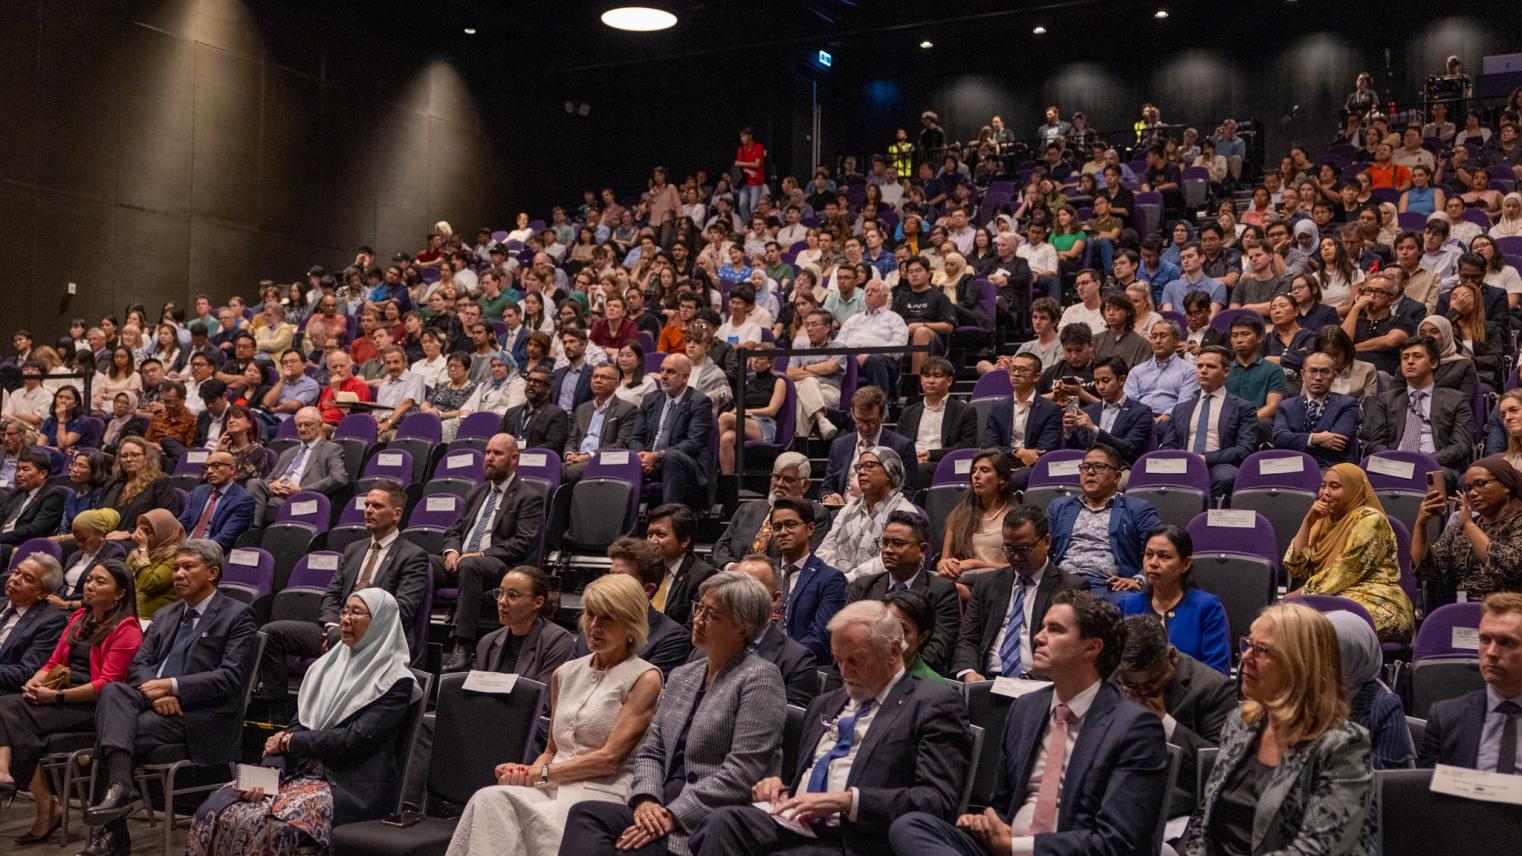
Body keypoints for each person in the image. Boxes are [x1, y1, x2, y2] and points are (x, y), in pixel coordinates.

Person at [891, 590, 1170, 856]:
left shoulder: (1134, 727)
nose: (1038, 637)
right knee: (911, 827)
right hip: (1008, 845)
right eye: (1042, 627)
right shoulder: (1026, 709)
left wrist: (1018, 848)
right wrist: (988, 825)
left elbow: (1118, 842)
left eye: (1055, 630)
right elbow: (1002, 805)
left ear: (1092, 647)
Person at [695, 598, 972, 856]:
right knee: (721, 822)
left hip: (855, 836)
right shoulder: (827, 702)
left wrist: (847, 801)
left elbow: (936, 800)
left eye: (855, 660)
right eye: (838, 659)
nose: (844, 672)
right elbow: (808, 773)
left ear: (893, 652)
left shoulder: (933, 704)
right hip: (796, 820)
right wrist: (778, 787)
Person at [557, 573, 785, 856]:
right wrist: (646, 799)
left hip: (706, 816)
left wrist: (673, 814)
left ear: (742, 628)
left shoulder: (760, 677)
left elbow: (743, 770)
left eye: (711, 614)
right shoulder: (683, 675)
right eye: (698, 608)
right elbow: (651, 750)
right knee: (585, 814)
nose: (698, 619)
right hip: (658, 804)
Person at [186, 589, 419, 854]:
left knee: (268, 826)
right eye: (344, 611)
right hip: (297, 771)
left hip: (347, 783)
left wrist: (290, 743)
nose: (345, 619)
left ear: (380, 622)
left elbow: (354, 739)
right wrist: (269, 774)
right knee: (215, 810)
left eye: (356, 612)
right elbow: (296, 727)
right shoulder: (326, 667)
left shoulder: (396, 681)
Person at [445, 573, 661, 856]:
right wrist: (524, 773)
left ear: (631, 625)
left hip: (602, 792)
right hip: (553, 784)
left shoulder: (644, 677)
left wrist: (542, 773)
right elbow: (551, 750)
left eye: (607, 618)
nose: (594, 626)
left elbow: (610, 760)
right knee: (488, 799)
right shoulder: (566, 673)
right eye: (590, 615)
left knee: (534, 820)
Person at [79, 540, 260, 854]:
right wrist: (157, 690)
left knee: (112, 732)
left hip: (197, 716)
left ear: (213, 572)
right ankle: (121, 791)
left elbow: (230, 677)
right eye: (176, 567)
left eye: (188, 567)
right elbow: (139, 664)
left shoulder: (237, 615)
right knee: (112, 690)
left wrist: (172, 686)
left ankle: (113, 834)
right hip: (153, 704)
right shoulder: (166, 614)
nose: (178, 574)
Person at [1180, 603, 1376, 856]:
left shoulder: (1343, 747)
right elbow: (1203, 820)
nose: (1246, 658)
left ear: (1299, 665)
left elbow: (1318, 849)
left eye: (1262, 650)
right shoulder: (1240, 723)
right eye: (1248, 645)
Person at [256, 480, 429, 708]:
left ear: (396, 514)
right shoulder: (353, 549)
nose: (368, 510)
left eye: (376, 506)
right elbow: (331, 596)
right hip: (338, 630)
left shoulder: (412, 555)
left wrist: (352, 629)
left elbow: (402, 609)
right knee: (271, 634)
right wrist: (332, 627)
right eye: (366, 505)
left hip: (379, 639)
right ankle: (278, 713)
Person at [0, 559, 141, 835]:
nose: (89, 586)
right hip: (58, 691)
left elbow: (106, 684)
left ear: (120, 593)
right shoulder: (79, 618)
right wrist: (34, 682)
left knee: (10, 713)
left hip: (89, 705)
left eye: (100, 582)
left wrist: (56, 696)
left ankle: (21, 786)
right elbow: (52, 663)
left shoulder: (127, 629)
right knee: (9, 708)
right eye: (89, 579)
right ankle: (9, 776)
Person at [441, 434, 546, 670]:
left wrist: (480, 555)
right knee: (419, 562)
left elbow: (523, 542)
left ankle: (463, 646)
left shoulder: (529, 497)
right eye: (488, 452)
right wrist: (451, 551)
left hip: (500, 566)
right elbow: (454, 530)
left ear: (514, 458)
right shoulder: (475, 493)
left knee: (470, 567)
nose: (489, 458)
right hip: (461, 560)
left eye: (497, 453)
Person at [1115, 615, 1236, 818]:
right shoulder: (1114, 679)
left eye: (1151, 683)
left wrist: (1163, 722)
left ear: (1172, 657)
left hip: (1176, 804)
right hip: (1116, 791)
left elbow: (1220, 767)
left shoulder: (1214, 688)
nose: (1142, 693)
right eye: (1133, 686)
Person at [1284, 464, 1415, 643]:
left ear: (1354, 488)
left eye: (1335, 486)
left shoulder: (1371, 520)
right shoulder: (1321, 522)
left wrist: (1299, 594)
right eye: (1323, 485)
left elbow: (1346, 570)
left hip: (1377, 602)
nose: (1326, 493)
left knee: (1322, 627)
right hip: (1328, 599)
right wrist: (1307, 522)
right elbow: (1295, 567)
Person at [953, 505, 1082, 681]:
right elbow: (967, 639)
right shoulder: (987, 583)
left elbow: (1068, 652)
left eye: (1023, 549)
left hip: (1036, 684)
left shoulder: (1070, 588)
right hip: (986, 680)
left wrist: (1028, 679)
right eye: (1009, 549)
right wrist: (968, 672)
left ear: (1046, 542)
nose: (1015, 557)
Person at [1419, 591, 1522, 772]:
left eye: (1506, 642)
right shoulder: (1445, 719)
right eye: (1484, 640)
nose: (1491, 652)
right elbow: (1426, 797)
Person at [1048, 444, 1163, 599]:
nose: (1090, 472)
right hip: (1062, 582)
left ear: (1116, 477)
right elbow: (1043, 548)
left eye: (1099, 467)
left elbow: (1161, 549)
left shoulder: (1138, 509)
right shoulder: (1059, 506)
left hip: (1109, 586)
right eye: (1085, 467)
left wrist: (1139, 580)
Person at [1360, 337, 1474, 488]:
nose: (1410, 361)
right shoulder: (1387, 400)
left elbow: (1460, 446)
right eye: (1405, 357)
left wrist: (1423, 461)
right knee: (1361, 473)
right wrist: (1398, 461)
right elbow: (1376, 442)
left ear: (1433, 363)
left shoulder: (1456, 400)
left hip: (1434, 465)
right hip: (1392, 464)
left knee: (1434, 475)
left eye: (1417, 356)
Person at [1118, 524, 1233, 672]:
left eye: (1164, 556)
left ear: (1185, 564)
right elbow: (1113, 664)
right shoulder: (1128, 605)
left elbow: (1217, 670)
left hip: (1191, 692)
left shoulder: (1206, 607)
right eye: (1148, 554)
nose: (1153, 563)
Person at [711, 558, 819, 707]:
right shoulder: (705, 649)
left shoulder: (797, 662)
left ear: (774, 599)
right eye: (733, 585)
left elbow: (788, 725)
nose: (737, 595)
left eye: (750, 588)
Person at [1158, 346, 1260, 503]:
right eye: (1199, 366)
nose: (1203, 371)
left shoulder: (1243, 407)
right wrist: (1181, 458)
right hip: (1182, 463)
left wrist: (1205, 458)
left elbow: (1244, 449)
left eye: (1211, 366)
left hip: (1219, 464)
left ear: (1225, 372)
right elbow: (1168, 446)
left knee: (1226, 477)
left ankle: (1209, 524)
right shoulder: (1181, 408)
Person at [1413, 456, 1522, 601]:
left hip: (1509, 613)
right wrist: (1421, 524)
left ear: (1506, 485)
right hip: (1463, 610)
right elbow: (1427, 571)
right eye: (1469, 488)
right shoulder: (1462, 527)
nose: (1473, 493)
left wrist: (1469, 525)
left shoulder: (1515, 523)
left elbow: (1509, 566)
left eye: (1481, 484)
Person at [1324, 610, 1415, 770]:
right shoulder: (1307, 692)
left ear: (1355, 656)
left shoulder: (1384, 705)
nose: (1319, 661)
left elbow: (1383, 773)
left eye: (1330, 654)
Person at [710, 452, 831, 570]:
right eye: (776, 477)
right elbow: (720, 547)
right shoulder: (747, 509)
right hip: (736, 579)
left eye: (788, 479)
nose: (779, 484)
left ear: (805, 485)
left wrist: (753, 570)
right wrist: (731, 566)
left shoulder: (816, 515)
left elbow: (804, 557)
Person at [817, 446, 918, 580]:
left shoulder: (904, 512)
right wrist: (827, 578)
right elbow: (825, 549)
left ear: (889, 473)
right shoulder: (848, 509)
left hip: (880, 587)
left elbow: (887, 561)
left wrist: (846, 579)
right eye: (859, 467)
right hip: (837, 584)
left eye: (869, 466)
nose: (861, 472)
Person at [629, 353, 715, 506]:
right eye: (662, 370)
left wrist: (656, 456)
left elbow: (694, 443)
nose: (663, 376)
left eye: (671, 372)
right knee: (618, 459)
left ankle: (669, 517)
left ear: (685, 377)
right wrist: (641, 458)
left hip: (686, 463)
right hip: (650, 461)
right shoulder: (650, 399)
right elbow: (636, 437)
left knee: (672, 457)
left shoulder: (699, 402)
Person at [245, 407, 348, 528]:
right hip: (276, 494)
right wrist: (272, 485)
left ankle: (252, 530)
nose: (302, 429)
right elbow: (269, 479)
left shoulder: (331, 449)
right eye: (299, 425)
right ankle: (253, 530)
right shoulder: (288, 453)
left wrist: (301, 490)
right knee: (254, 483)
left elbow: (340, 478)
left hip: (301, 498)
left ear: (320, 426)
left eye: (307, 425)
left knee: (262, 504)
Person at [936, 450, 1018, 592]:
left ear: (1002, 479)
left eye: (984, 470)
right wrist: (945, 564)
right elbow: (943, 560)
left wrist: (975, 564)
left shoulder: (1015, 517)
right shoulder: (958, 516)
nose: (976, 475)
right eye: (974, 471)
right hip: (964, 583)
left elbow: (1018, 567)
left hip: (1000, 585)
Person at [980, 352, 1062, 491]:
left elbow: (1044, 450)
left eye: (1023, 370)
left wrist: (1024, 455)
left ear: (1036, 376)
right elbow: (990, 446)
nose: (1016, 374)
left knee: (1011, 480)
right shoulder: (998, 408)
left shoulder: (1050, 409)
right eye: (1013, 369)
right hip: (1002, 463)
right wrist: (1018, 452)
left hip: (1032, 466)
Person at [820, 386, 918, 502]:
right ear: (852, 414)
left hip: (883, 511)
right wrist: (828, 497)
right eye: (860, 420)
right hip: (843, 509)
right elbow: (827, 487)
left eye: (872, 421)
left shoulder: (902, 446)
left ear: (882, 417)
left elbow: (907, 492)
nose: (866, 427)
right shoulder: (839, 445)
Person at [1272, 351, 1362, 471]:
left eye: (1325, 372)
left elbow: (1337, 443)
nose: (1318, 377)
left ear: (1334, 376)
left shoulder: (1348, 405)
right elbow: (1279, 438)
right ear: (1303, 374)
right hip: (1291, 466)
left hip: (1331, 467)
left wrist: (1294, 440)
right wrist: (1315, 439)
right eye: (1313, 371)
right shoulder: (1286, 406)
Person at [897, 357, 979, 487]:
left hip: (943, 463)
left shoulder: (964, 411)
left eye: (937, 376)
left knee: (918, 471)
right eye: (926, 376)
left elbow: (966, 446)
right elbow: (898, 444)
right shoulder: (908, 412)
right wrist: (911, 458)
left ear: (949, 380)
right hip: (911, 461)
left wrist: (931, 455)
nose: (931, 381)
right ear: (921, 379)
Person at [1061, 357, 1153, 466]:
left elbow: (1128, 448)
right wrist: (1070, 433)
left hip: (1121, 468)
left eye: (1105, 381)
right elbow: (1078, 449)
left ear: (1121, 380)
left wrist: (1094, 429)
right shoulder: (1089, 411)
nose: (1100, 387)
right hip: (1087, 467)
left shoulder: (1141, 412)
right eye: (1096, 382)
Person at [0, 554, 69, 695]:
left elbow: (27, 673)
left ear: (42, 594)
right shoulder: (1, 602)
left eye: (28, 579)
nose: (15, 579)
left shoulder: (51, 621)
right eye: (17, 572)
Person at [645, 504, 717, 629]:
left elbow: (692, 629)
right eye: (650, 535)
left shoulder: (703, 576)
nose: (652, 541)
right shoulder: (643, 567)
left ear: (684, 540)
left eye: (660, 535)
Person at [176, 450, 255, 553]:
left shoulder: (243, 500)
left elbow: (224, 538)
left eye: (216, 465)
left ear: (232, 469)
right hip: (185, 546)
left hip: (210, 551)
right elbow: (182, 524)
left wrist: (195, 551)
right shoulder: (198, 492)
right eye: (206, 467)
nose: (209, 471)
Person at [0, 449, 64, 567]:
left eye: (26, 469)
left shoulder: (53, 495)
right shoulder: (17, 492)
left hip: (22, 544)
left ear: (43, 474)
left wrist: (2, 537)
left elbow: (35, 529)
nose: (19, 474)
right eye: (18, 469)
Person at [1125, 320, 1200, 416]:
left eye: (1163, 336)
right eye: (1154, 336)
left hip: (1171, 420)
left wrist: (1168, 415)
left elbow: (1185, 403)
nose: (1157, 341)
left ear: (1176, 340)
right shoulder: (1137, 371)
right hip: (1139, 419)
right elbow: (1128, 402)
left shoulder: (1189, 371)